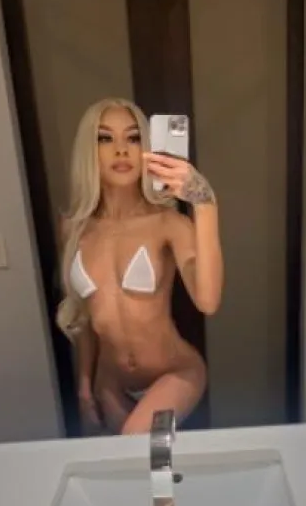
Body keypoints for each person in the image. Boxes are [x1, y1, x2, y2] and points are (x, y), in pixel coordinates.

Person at [56, 97, 223, 435]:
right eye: (105, 138)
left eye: (133, 138)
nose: (121, 149)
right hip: (110, 381)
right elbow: (83, 314)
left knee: (138, 443)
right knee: (143, 465)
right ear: (89, 149)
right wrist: (85, 385)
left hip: (174, 376)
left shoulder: (168, 223)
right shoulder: (73, 228)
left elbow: (208, 301)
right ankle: (164, 469)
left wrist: (205, 203)